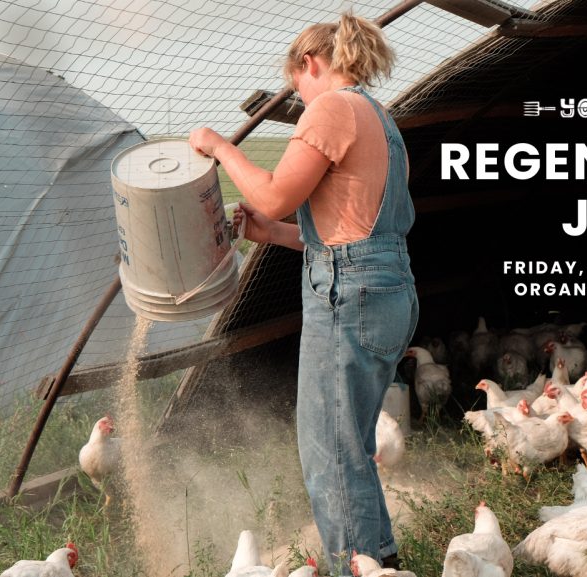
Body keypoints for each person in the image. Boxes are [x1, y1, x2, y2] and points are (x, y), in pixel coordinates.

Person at [189, 13, 418, 576]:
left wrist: (220, 147)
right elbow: (357, 230)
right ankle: (379, 563)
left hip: (351, 297)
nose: (300, 96)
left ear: (310, 65)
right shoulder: (382, 120)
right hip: (389, 289)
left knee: (328, 455)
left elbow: (271, 194)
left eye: (297, 84)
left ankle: (352, 569)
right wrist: (275, 236)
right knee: (351, 445)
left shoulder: (333, 107)